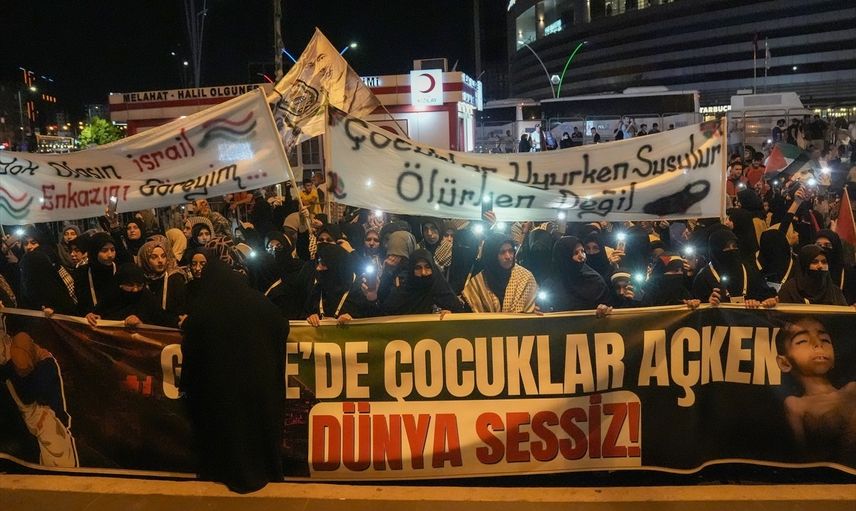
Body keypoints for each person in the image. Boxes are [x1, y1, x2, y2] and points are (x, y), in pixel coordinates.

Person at [180, 258, 287, 493]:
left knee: (228, 432)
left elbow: (192, 352)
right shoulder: (260, 302)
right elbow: (281, 328)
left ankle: (230, 474)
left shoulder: (204, 309)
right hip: (260, 383)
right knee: (258, 430)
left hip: (221, 387)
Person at [775, 316, 856, 465]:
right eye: (802, 341)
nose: (818, 344)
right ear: (784, 363)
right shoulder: (795, 405)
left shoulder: (852, 391)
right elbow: (800, 454)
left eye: (825, 340)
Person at [692, 229, 777, 307]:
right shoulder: (704, 277)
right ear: (715, 250)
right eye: (726, 247)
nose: (732, 250)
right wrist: (709, 304)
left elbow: (765, 294)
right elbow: (696, 304)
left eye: (734, 246)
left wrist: (766, 301)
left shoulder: (748, 270)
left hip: (749, 317)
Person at [462, 233, 537, 313]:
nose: (508, 256)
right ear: (491, 256)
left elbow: (532, 309)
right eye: (502, 252)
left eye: (511, 251)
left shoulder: (525, 278)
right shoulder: (478, 283)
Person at [537, 236, 611, 315]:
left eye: (582, 251)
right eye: (576, 253)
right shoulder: (549, 286)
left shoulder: (594, 281)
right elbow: (541, 309)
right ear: (563, 257)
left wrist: (603, 310)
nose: (582, 256)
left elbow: (607, 307)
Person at [381, 249, 465, 316]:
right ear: (411, 270)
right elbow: (386, 312)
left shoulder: (440, 288)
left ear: (433, 268)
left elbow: (458, 313)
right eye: (418, 268)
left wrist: (450, 315)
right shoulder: (404, 291)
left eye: (427, 267)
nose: (423, 273)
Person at [778, 245, 847, 305]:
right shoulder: (789, 290)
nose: (820, 266)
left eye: (824, 262)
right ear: (804, 265)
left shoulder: (835, 292)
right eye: (814, 262)